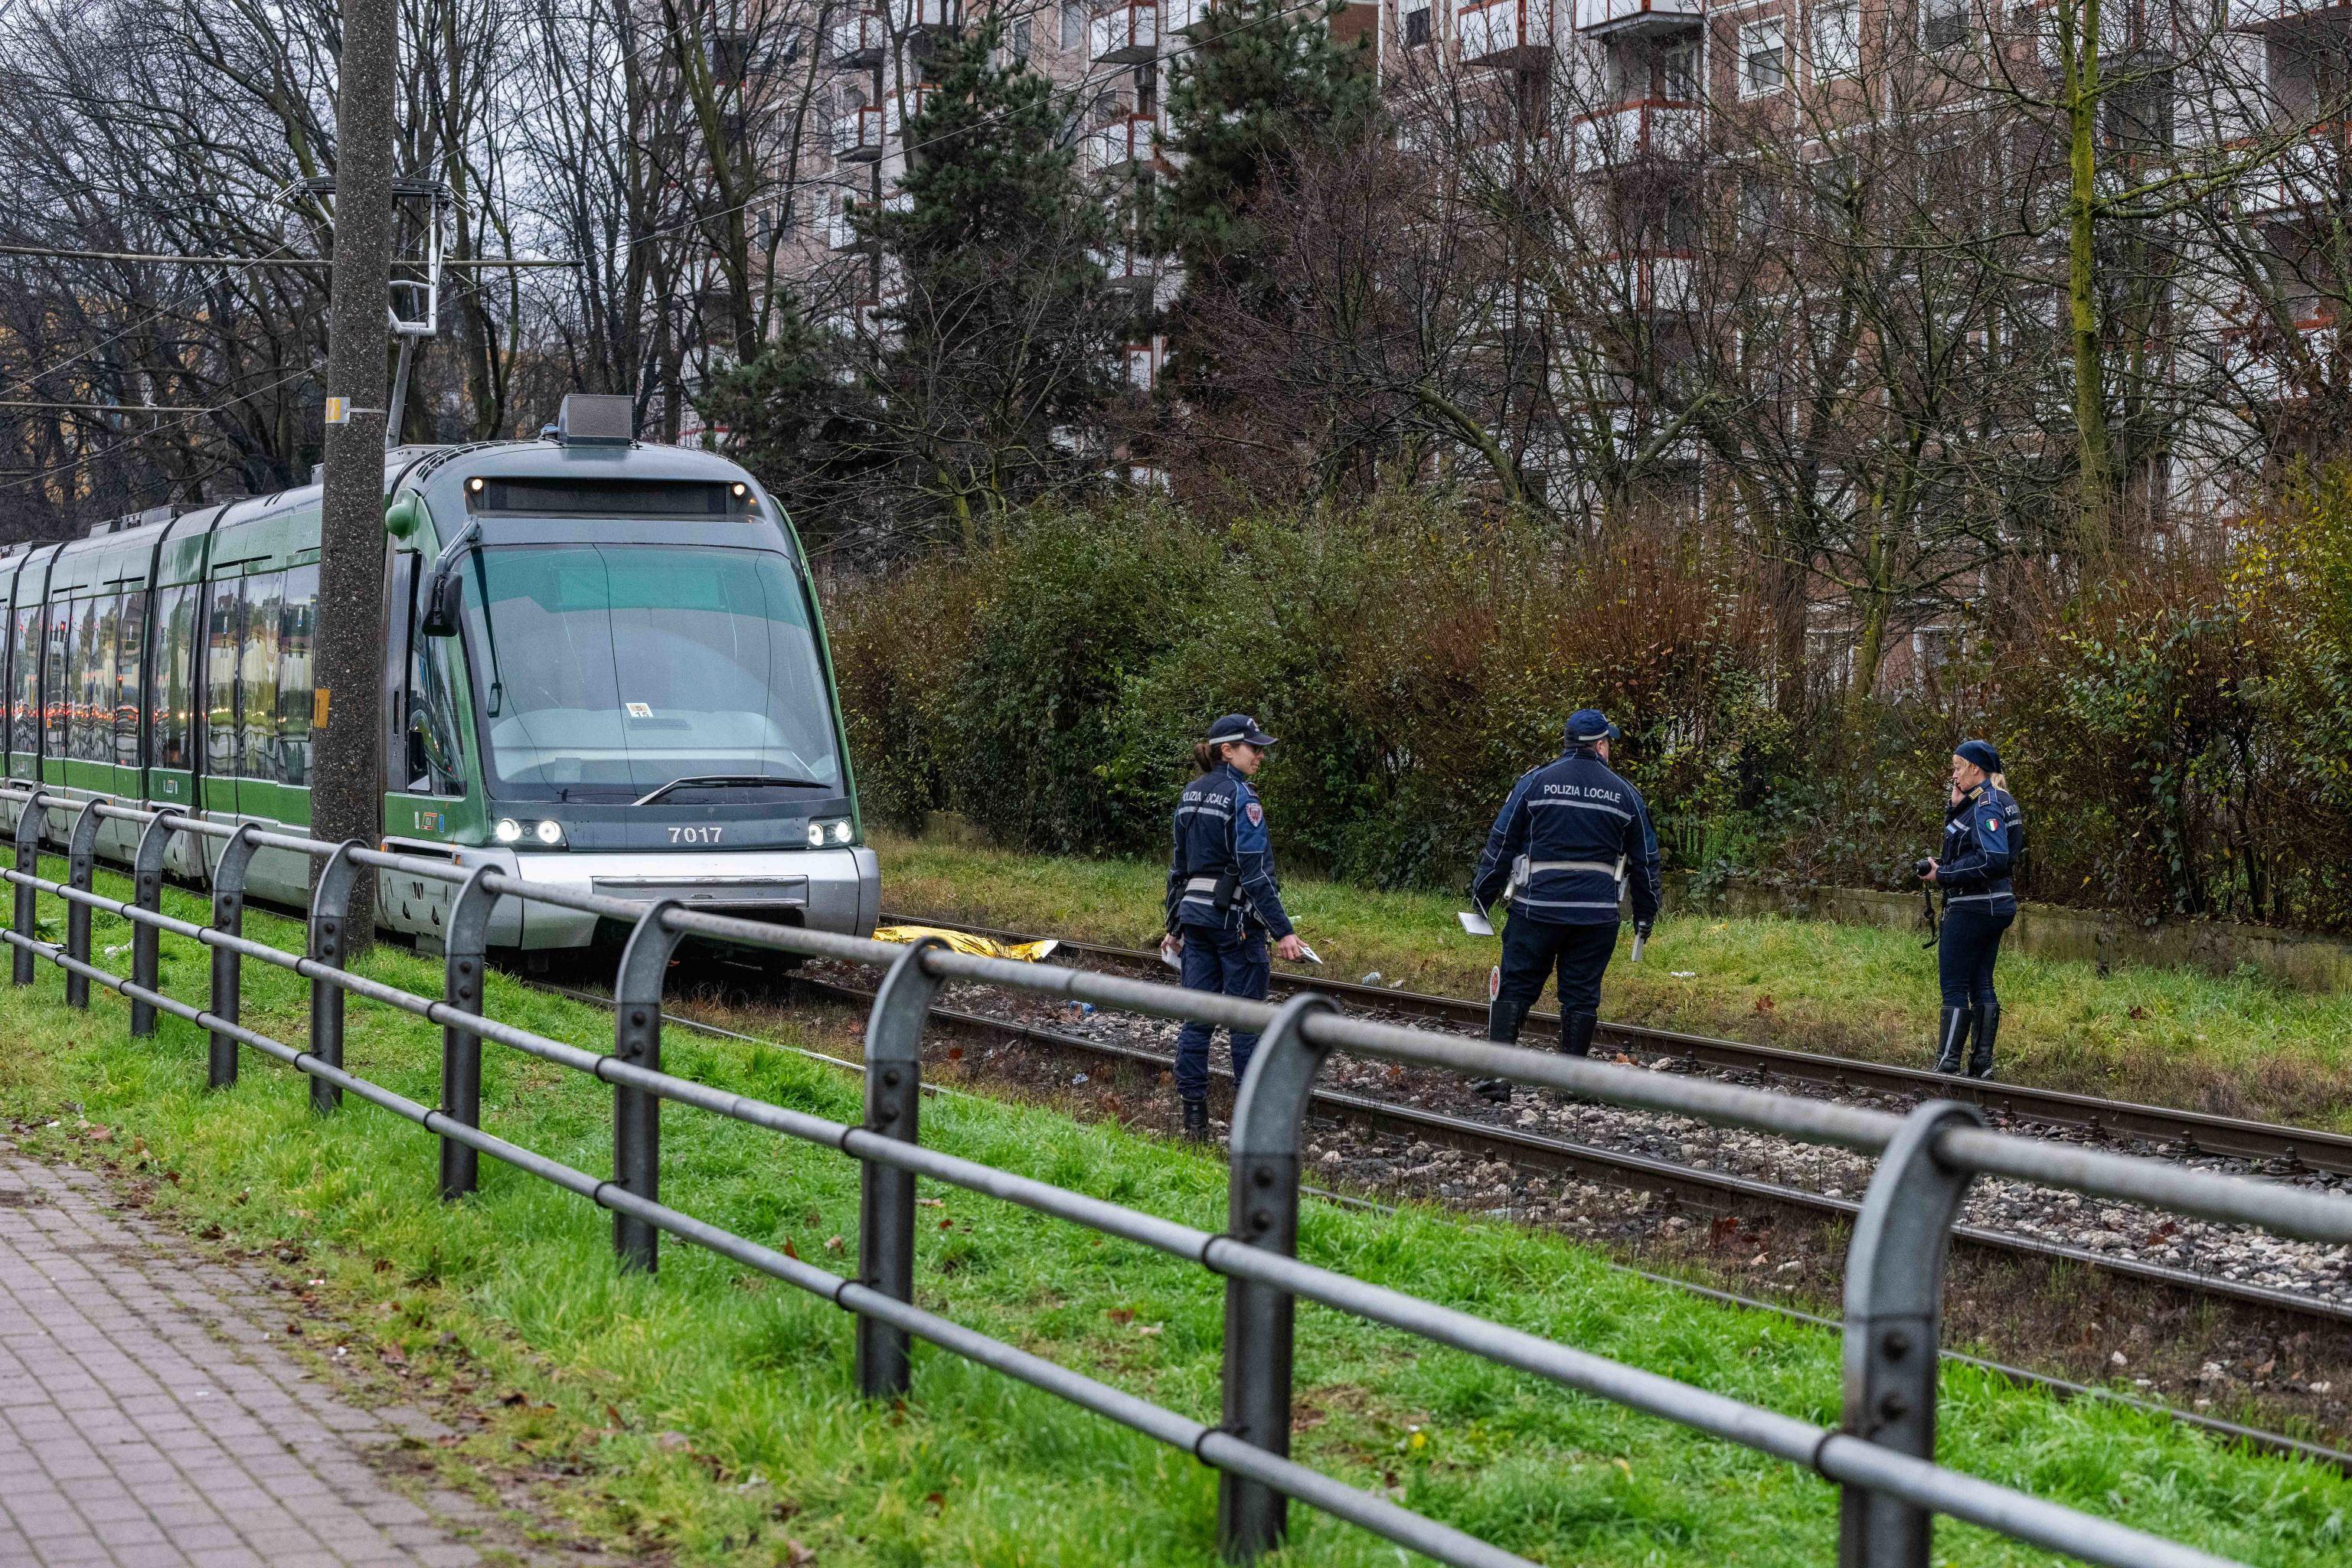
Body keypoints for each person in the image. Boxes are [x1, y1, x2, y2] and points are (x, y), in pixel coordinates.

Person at [1467, 708, 1662, 1100]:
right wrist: (1645, 915)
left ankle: (1498, 1080)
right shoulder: (1626, 794)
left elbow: (1501, 844)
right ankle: (1569, 1085)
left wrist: (1481, 899)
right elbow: (1645, 861)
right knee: (1581, 994)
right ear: (1601, 745)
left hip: (1535, 909)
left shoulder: (1534, 783)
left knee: (1516, 987)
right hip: (1596, 918)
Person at [1165, 714, 1307, 1142]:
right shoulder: (1243, 798)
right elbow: (1254, 872)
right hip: (1236, 924)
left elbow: (1178, 871)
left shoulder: (1189, 795)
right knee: (1245, 1021)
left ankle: (1194, 1121)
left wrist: (1173, 925)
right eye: (1253, 748)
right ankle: (1251, 1124)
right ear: (1227, 750)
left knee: (1198, 1019)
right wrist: (1283, 931)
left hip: (1194, 921)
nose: (1260, 755)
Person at [1921, 739, 2022, 1080]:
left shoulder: (1986, 805)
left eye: (1957, 767)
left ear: (1975, 769)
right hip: (1997, 905)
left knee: (1953, 985)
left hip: (1973, 906)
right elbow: (1967, 841)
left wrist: (1943, 874)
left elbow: (1992, 858)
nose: (1954, 775)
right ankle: (1981, 1066)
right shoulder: (2000, 801)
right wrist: (1953, 808)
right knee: (1981, 984)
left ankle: (1946, 1066)